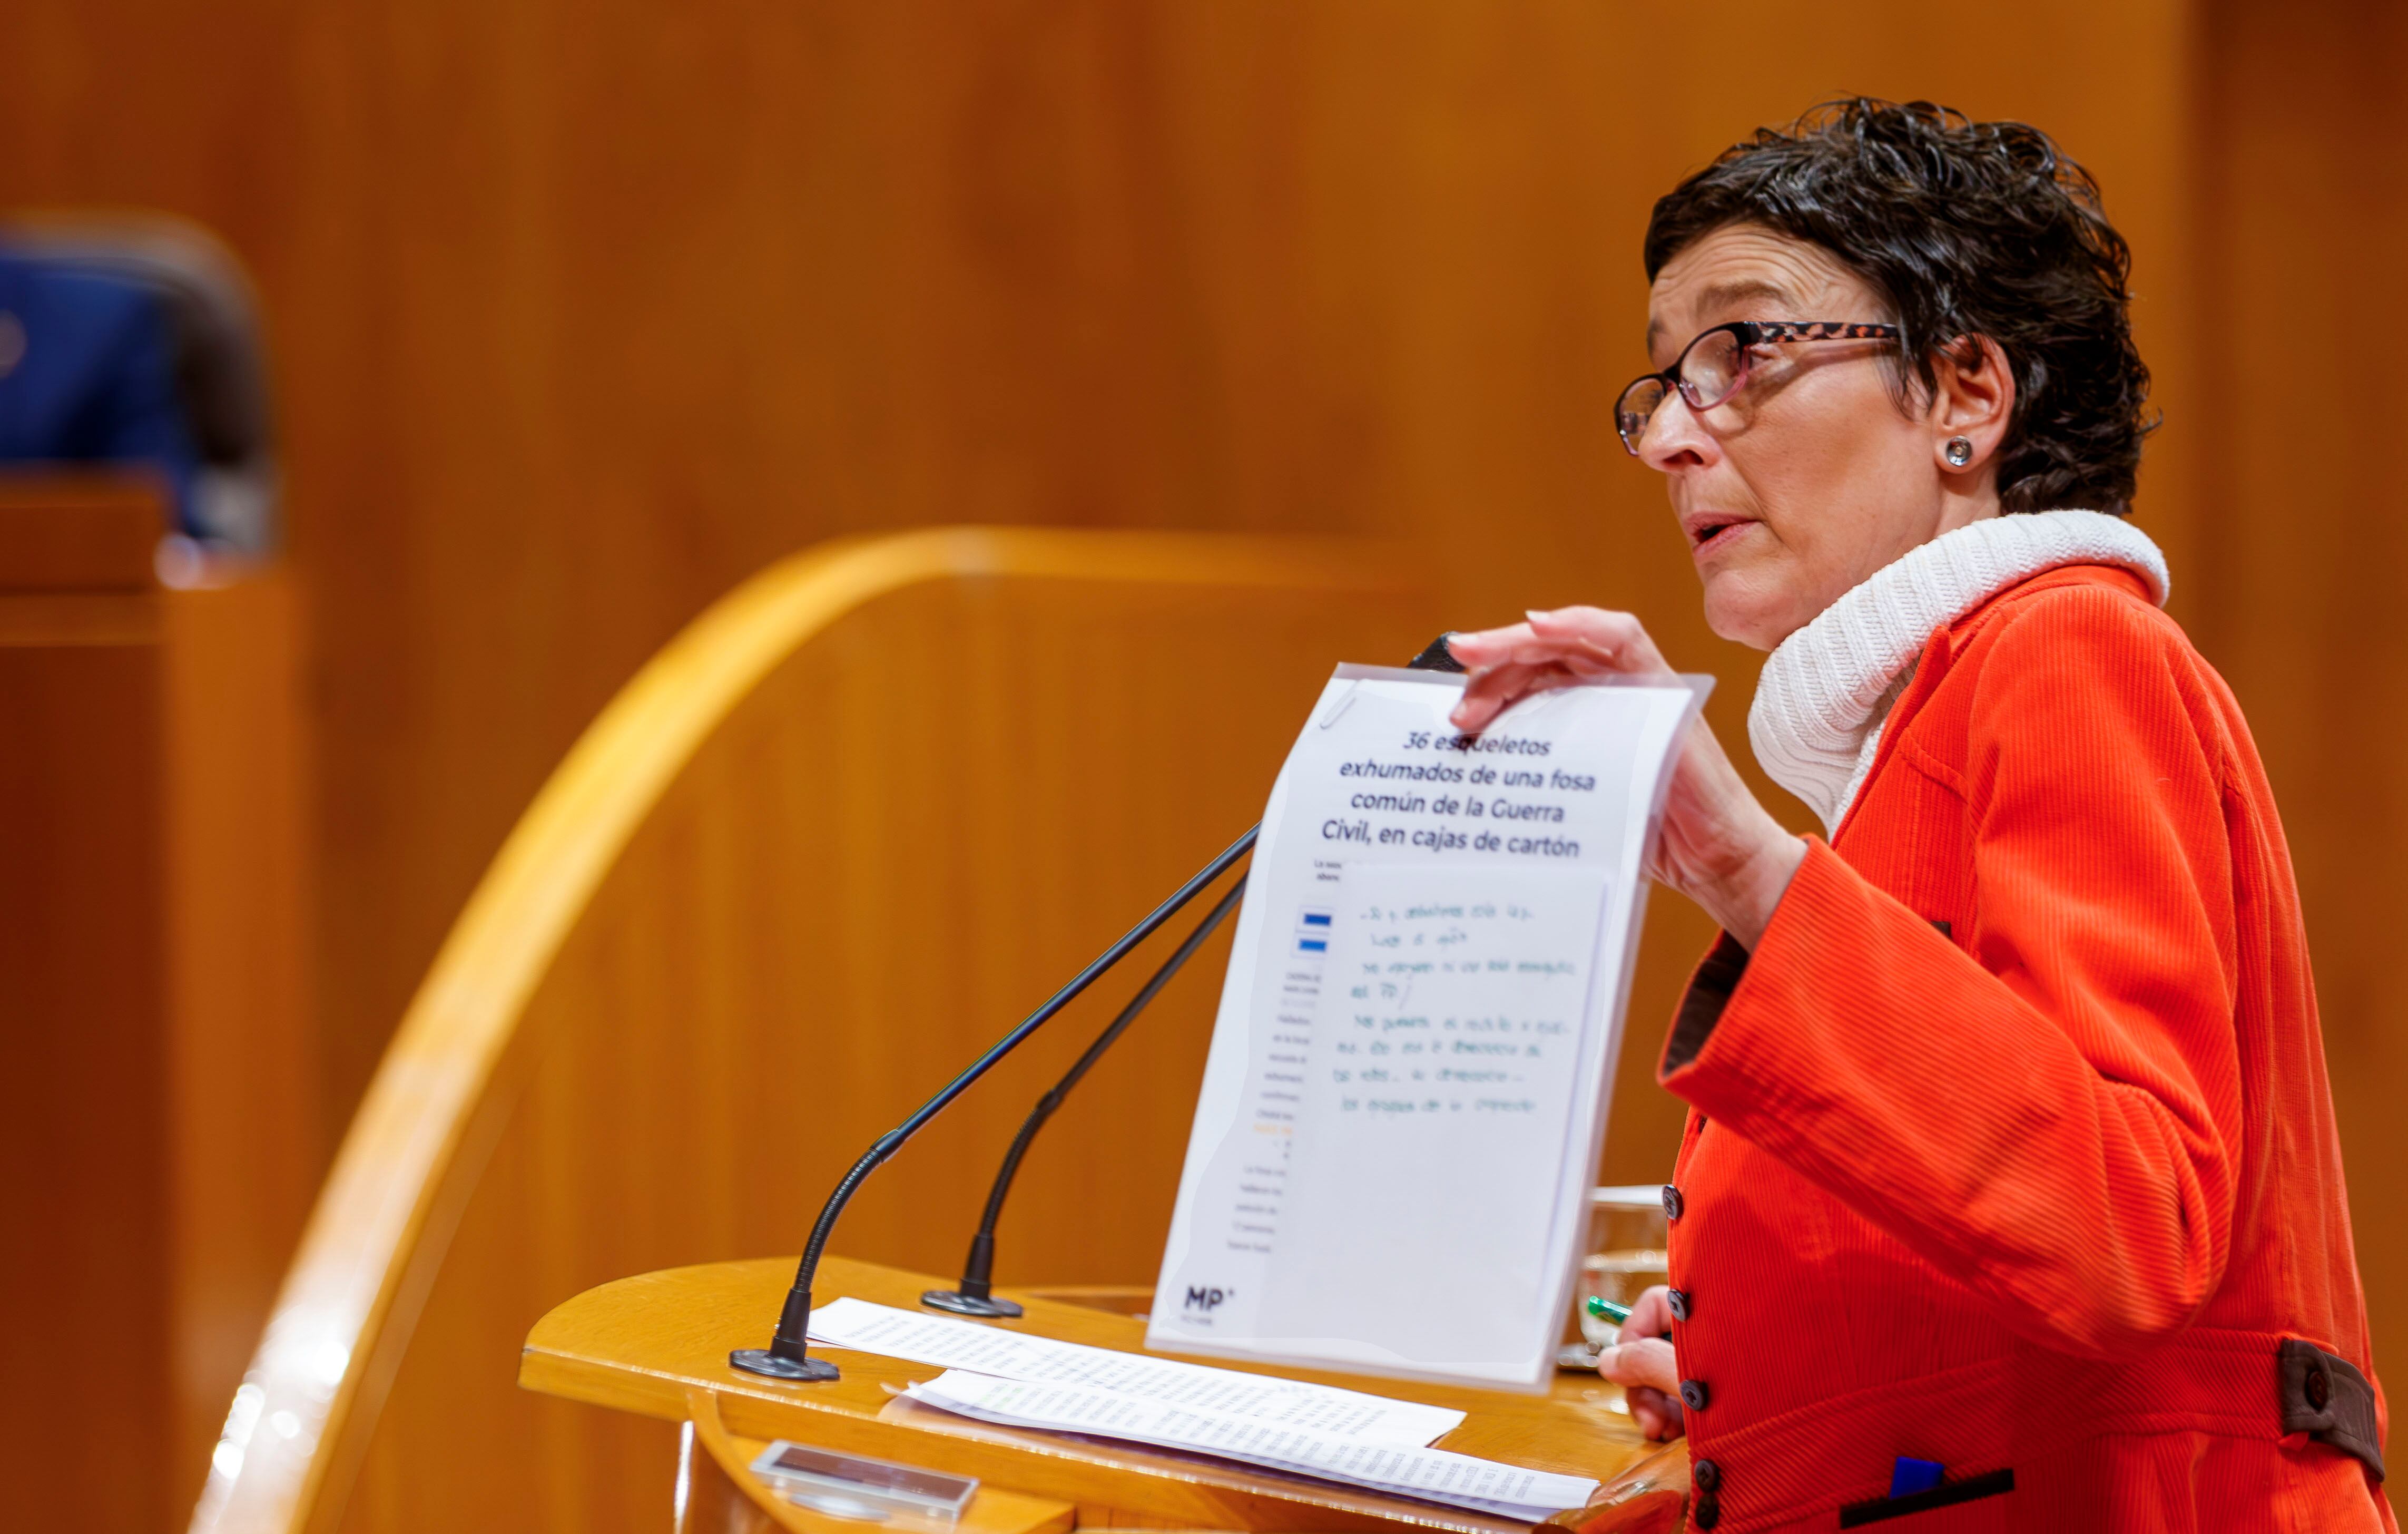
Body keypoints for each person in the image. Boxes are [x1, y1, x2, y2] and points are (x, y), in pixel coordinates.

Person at [1446, 100, 2392, 1532]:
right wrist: (1742, 1355)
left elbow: (2125, 1228)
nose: (1669, 441)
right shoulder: (1907, 752)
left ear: (1964, 392)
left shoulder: (2068, 649)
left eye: (1743, 350)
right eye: (1661, 384)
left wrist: (1736, 863)